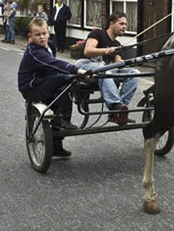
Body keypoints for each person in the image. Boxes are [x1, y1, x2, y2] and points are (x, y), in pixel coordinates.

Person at [18, 18, 86, 157]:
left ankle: (56, 146)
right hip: (32, 88)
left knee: (65, 90)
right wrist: (76, 70)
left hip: (45, 82)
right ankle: (65, 121)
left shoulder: (49, 46)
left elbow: (52, 69)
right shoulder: (34, 52)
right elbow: (53, 63)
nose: (42, 37)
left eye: (44, 33)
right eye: (37, 35)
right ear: (30, 36)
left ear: (49, 32)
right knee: (67, 79)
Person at [76, 12, 139, 125]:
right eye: (121, 23)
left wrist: (125, 62)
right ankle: (115, 106)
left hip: (104, 69)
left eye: (125, 24)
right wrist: (106, 50)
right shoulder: (98, 33)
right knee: (104, 69)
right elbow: (88, 51)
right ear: (111, 24)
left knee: (134, 73)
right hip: (85, 65)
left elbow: (118, 64)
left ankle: (119, 112)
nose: (124, 26)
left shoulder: (117, 43)